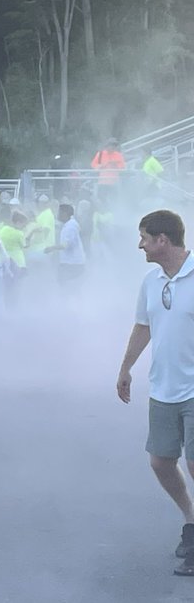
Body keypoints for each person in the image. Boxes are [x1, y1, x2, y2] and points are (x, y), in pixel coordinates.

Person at [117, 210, 194, 576]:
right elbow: (143, 325)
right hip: (164, 388)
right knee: (161, 462)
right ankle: (191, 521)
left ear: (163, 240)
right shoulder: (151, 281)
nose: (140, 244)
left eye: (145, 237)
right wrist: (126, 367)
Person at [46, 203, 86, 287]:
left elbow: (65, 245)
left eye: (59, 212)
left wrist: (51, 248)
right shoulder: (69, 224)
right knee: (65, 285)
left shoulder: (70, 227)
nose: (57, 215)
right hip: (69, 263)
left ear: (64, 214)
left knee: (66, 286)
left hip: (72, 264)